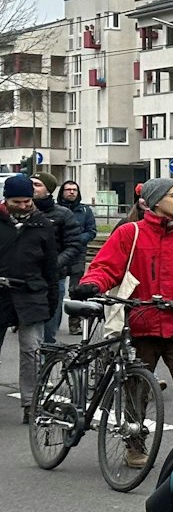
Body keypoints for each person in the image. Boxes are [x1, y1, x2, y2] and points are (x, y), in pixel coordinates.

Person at [75, 177, 173, 418]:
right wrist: (91, 284)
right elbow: (107, 267)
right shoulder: (130, 233)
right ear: (155, 202)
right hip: (141, 326)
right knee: (136, 389)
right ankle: (134, 443)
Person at [2, 173, 62, 421]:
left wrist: (52, 300)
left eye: (28, 201)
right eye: (18, 202)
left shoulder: (42, 224)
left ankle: (31, 403)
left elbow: (50, 266)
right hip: (1, 294)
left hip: (32, 293)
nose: (25, 206)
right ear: (6, 200)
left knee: (32, 351)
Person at [30, 173, 88, 343]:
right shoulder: (21, 211)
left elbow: (73, 245)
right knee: (29, 338)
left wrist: (54, 265)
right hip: (24, 279)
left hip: (53, 278)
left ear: (49, 190)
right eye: (31, 184)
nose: (32, 188)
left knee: (48, 334)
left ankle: (46, 363)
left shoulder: (63, 214)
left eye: (37, 184)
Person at [56, 179, 97, 335]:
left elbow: (91, 231)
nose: (71, 192)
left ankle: (74, 324)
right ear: (62, 192)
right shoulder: (55, 209)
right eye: (68, 189)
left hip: (78, 255)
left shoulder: (85, 211)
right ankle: (53, 323)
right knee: (56, 290)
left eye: (74, 190)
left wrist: (76, 240)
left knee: (76, 291)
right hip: (59, 254)